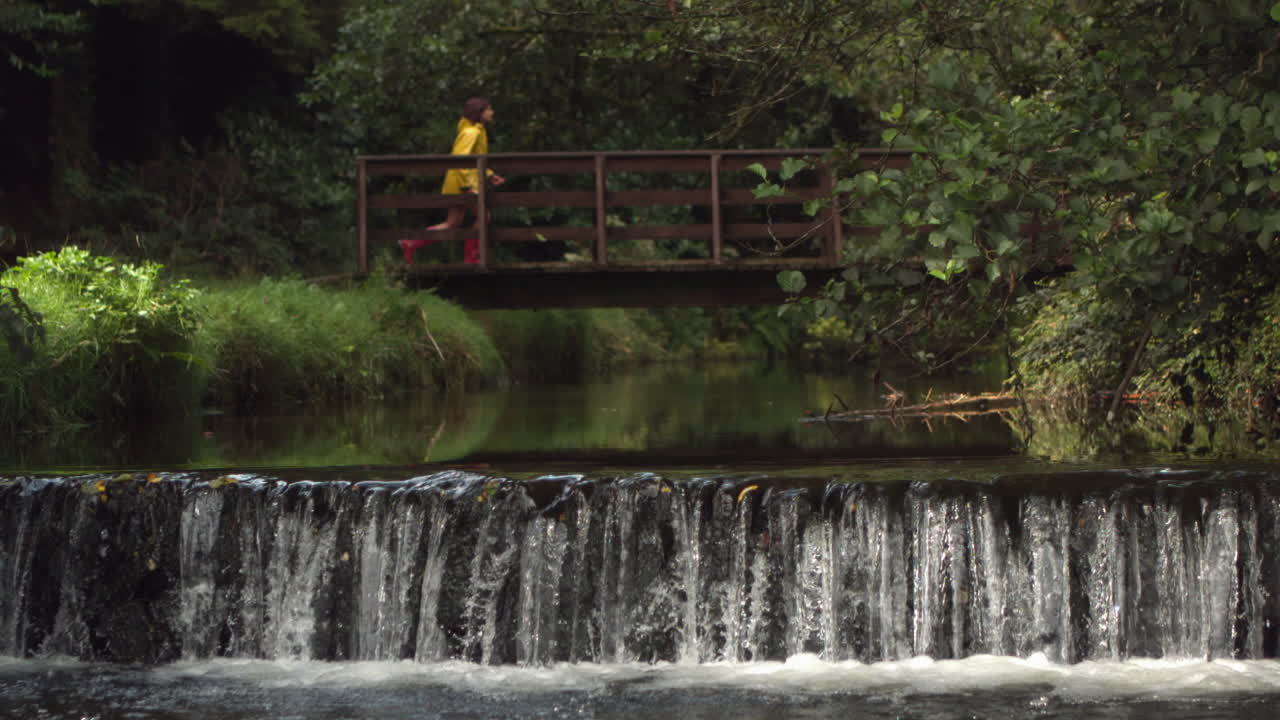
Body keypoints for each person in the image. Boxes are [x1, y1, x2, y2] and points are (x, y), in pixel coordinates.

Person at [400, 97, 504, 264]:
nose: (492, 112)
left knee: (452, 223)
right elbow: (461, 159)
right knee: (484, 217)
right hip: (463, 184)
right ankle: (471, 258)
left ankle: (410, 243)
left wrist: (489, 174)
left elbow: (474, 159)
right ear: (480, 113)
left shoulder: (477, 131)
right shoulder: (472, 132)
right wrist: (466, 187)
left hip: (459, 182)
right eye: (489, 109)